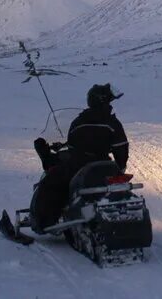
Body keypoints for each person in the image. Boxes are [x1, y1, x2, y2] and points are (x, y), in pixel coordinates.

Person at [29, 83, 130, 231]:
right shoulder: (112, 122)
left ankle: (43, 222)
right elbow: (121, 147)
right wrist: (119, 167)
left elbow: (73, 147)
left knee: (50, 181)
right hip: (103, 166)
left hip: (79, 165)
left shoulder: (78, 122)